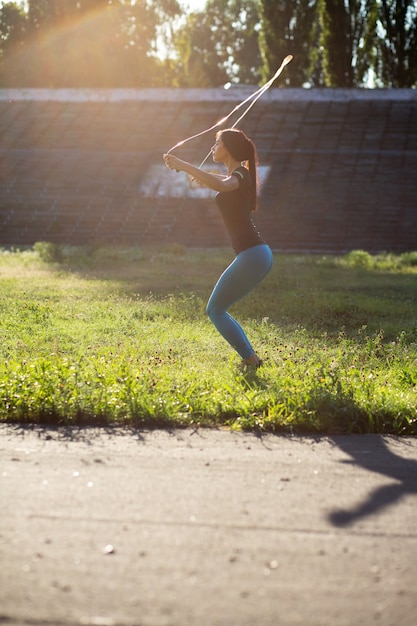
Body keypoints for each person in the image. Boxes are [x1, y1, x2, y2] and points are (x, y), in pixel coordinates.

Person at [163, 128, 273, 369]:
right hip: (254, 254)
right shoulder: (236, 176)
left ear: (229, 148)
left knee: (215, 310)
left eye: (217, 143)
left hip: (254, 254)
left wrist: (186, 165)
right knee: (217, 309)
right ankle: (251, 359)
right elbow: (221, 183)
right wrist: (192, 171)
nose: (213, 148)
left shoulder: (240, 175)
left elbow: (224, 185)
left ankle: (250, 360)